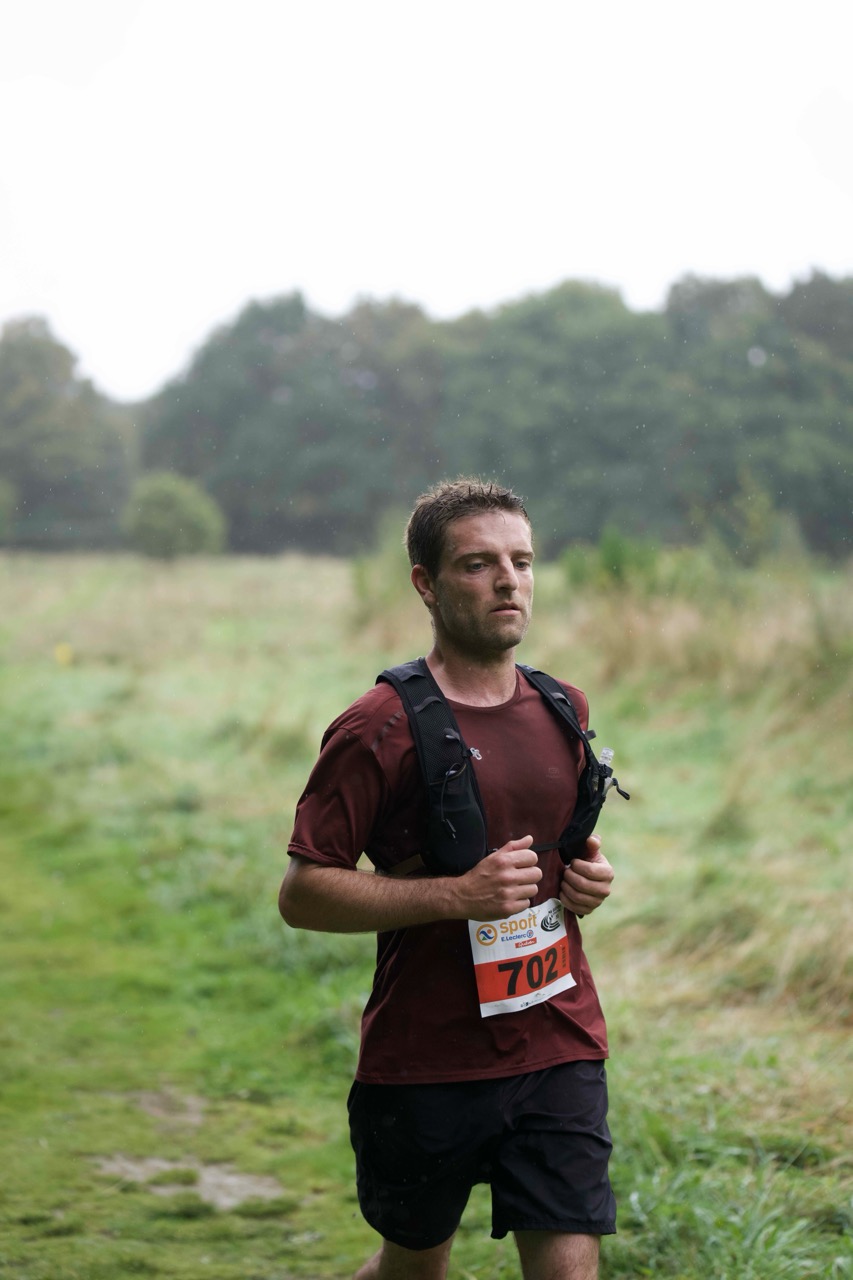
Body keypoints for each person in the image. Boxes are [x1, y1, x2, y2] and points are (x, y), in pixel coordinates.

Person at [279, 479, 617, 1280]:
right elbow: (303, 892)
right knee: (413, 1270)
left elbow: (566, 850)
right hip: (425, 1059)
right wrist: (454, 896)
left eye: (521, 561)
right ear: (425, 584)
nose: (508, 581)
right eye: (477, 564)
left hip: (558, 1039)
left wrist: (589, 879)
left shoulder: (561, 707)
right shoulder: (377, 728)